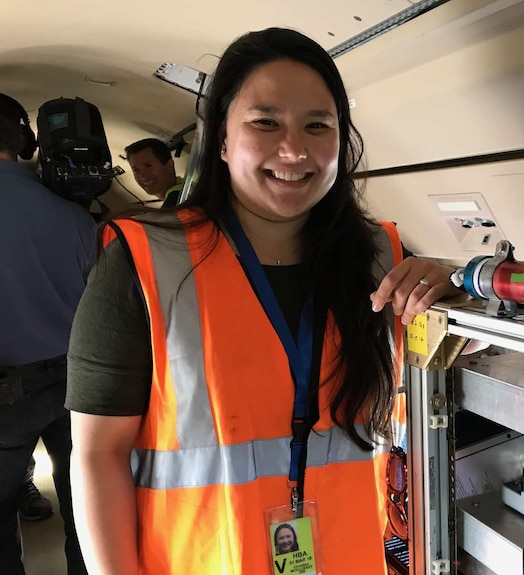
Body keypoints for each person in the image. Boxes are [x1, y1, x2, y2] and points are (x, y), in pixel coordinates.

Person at [67, 27, 462, 575]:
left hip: (347, 559)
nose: (294, 149)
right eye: (265, 122)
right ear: (222, 141)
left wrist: (450, 297)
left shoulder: (381, 259)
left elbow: (433, 378)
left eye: (318, 125)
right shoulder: (142, 261)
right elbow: (97, 455)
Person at [0, 92, 93, 575]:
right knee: (85, 502)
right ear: (27, 141)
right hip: (76, 381)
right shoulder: (75, 214)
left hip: (5, 391)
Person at [125, 138, 184, 207]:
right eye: (136, 170)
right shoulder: (184, 189)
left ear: (169, 165)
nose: (142, 176)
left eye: (148, 166)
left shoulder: (178, 196)